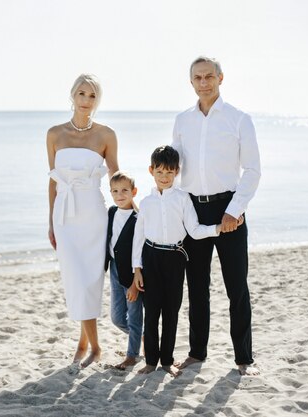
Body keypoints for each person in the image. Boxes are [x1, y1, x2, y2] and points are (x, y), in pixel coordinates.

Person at [171, 56, 261, 376]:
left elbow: (252, 170)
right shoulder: (182, 121)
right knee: (196, 286)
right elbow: (174, 167)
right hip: (193, 211)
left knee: (236, 287)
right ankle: (197, 353)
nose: (204, 82)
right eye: (198, 77)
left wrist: (234, 211)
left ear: (221, 78)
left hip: (230, 210)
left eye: (210, 76)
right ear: (191, 82)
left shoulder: (238, 119)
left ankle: (244, 360)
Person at [133, 146, 225, 377]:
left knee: (171, 311)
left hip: (175, 258)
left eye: (169, 173)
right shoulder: (145, 203)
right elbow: (138, 237)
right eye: (160, 172)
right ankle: (151, 361)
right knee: (151, 312)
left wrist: (217, 228)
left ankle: (167, 361)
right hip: (151, 257)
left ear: (177, 172)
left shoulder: (183, 199)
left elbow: (193, 230)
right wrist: (137, 269)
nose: (164, 177)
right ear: (151, 171)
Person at [47, 73, 119, 368]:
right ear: (72, 96)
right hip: (64, 216)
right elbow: (52, 181)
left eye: (92, 96)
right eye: (82, 94)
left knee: (90, 280)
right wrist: (50, 221)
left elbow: (115, 174)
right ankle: (92, 345)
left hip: (93, 213)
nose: (86, 101)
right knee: (75, 278)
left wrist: (133, 205)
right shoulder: (54, 134)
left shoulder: (105, 134)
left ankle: (87, 344)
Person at [104, 171, 142, 371]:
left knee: (134, 317)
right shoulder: (111, 212)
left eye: (125, 191)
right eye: (115, 191)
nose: (120, 195)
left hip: (132, 274)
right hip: (114, 270)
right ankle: (143, 338)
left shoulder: (138, 219)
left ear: (133, 192)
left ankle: (132, 356)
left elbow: (139, 251)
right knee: (117, 318)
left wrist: (135, 283)